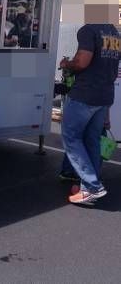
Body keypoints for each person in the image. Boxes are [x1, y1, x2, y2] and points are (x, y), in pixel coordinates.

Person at [59, 24, 120, 204]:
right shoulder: (114, 33)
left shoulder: (89, 30)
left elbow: (82, 62)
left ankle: (92, 186)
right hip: (104, 95)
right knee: (92, 140)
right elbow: (113, 69)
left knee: (71, 138)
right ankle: (89, 187)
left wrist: (66, 64)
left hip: (85, 95)